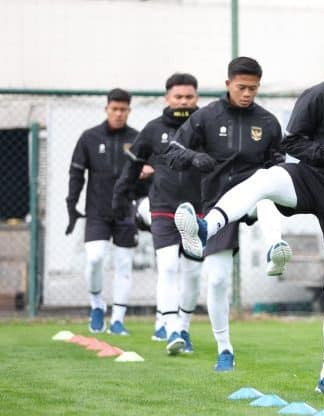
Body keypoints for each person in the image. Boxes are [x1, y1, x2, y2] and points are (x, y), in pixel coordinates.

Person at [173, 23, 324, 395]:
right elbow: (294, 143)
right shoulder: (321, 94)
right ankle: (206, 226)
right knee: (265, 178)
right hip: (312, 181)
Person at [163, 57, 291, 370]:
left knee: (265, 194)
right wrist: (195, 159)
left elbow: (279, 165)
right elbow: (172, 152)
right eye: (241, 87)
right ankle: (225, 349)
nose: (247, 93)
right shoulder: (205, 117)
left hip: (255, 196)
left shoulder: (269, 122)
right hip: (217, 204)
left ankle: (276, 247)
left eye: (253, 88)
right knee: (218, 280)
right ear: (227, 84)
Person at [113, 73, 223, 355]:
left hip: (199, 209)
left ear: (196, 98)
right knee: (169, 267)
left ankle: (184, 328)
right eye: (178, 97)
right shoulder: (152, 130)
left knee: (193, 272)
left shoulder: (207, 127)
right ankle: (171, 328)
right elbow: (132, 166)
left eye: (189, 97)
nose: (183, 102)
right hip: (162, 208)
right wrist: (120, 196)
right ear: (167, 99)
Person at [66, 88, 147, 335]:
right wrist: (71, 204)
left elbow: (147, 177)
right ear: (107, 109)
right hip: (97, 212)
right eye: (115, 109)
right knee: (95, 259)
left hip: (126, 212)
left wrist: (144, 201)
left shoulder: (138, 139)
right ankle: (97, 304)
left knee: (124, 265)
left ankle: (118, 320)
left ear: (129, 111)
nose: (119, 114)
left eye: (124, 109)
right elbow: (76, 174)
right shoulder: (89, 137)